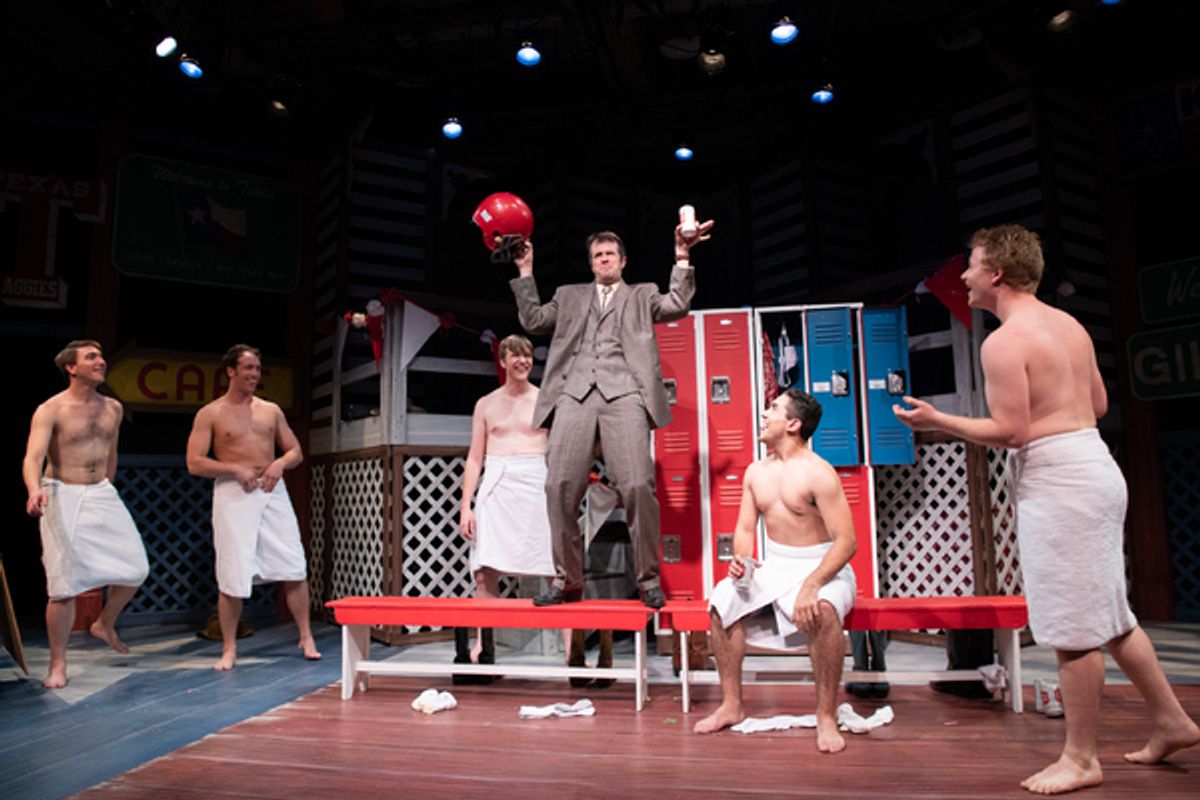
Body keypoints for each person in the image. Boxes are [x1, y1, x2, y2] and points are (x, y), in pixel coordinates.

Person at [893, 224, 1200, 795]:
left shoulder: (1004, 341)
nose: (963, 275)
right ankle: (1172, 720)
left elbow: (1010, 431)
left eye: (972, 264)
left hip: (1061, 479)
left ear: (997, 274)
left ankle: (1081, 758)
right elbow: (1100, 402)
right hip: (1095, 464)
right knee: (1113, 616)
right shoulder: (1070, 325)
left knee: (1074, 628)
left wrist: (939, 421)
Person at [510, 219, 714, 608]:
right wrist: (525, 271)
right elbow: (533, 321)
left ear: (623, 261)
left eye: (609, 255)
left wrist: (683, 256)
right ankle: (567, 579)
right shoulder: (569, 296)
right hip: (574, 393)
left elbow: (677, 304)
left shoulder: (642, 295)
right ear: (591, 264)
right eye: (597, 256)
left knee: (637, 485)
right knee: (559, 487)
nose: (603, 260)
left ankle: (648, 581)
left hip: (625, 395)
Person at [693, 389, 858, 754]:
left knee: (826, 610)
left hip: (824, 566)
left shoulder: (819, 472)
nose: (764, 415)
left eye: (773, 409)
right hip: (778, 566)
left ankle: (826, 715)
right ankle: (732, 704)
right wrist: (741, 561)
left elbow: (847, 542)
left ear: (793, 424)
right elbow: (746, 531)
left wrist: (813, 585)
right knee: (721, 602)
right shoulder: (756, 472)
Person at [21, 340, 150, 688]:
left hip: (101, 493)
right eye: (91, 357)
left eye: (101, 356)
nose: (101, 361)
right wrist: (34, 489)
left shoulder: (114, 408)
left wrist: (107, 488)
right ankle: (57, 664)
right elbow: (33, 457)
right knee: (63, 585)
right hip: (60, 490)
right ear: (71, 368)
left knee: (137, 568)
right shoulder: (51, 409)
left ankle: (104, 623)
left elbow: (111, 454)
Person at [186, 344, 319, 670]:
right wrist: (233, 468)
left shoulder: (270, 410)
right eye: (247, 368)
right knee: (233, 571)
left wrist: (279, 464)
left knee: (293, 563)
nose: (254, 375)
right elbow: (194, 462)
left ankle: (305, 635)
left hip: (272, 488)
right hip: (233, 491)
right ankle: (229, 648)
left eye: (257, 369)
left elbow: (295, 451)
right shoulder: (211, 413)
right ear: (231, 371)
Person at [456, 333, 559, 679]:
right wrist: (465, 506)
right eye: (515, 356)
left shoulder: (547, 399)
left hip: (536, 477)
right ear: (502, 361)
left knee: (558, 570)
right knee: (485, 571)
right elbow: (474, 458)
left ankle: (574, 655)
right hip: (497, 480)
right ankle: (485, 650)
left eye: (527, 355)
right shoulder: (486, 404)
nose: (522, 361)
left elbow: (563, 447)